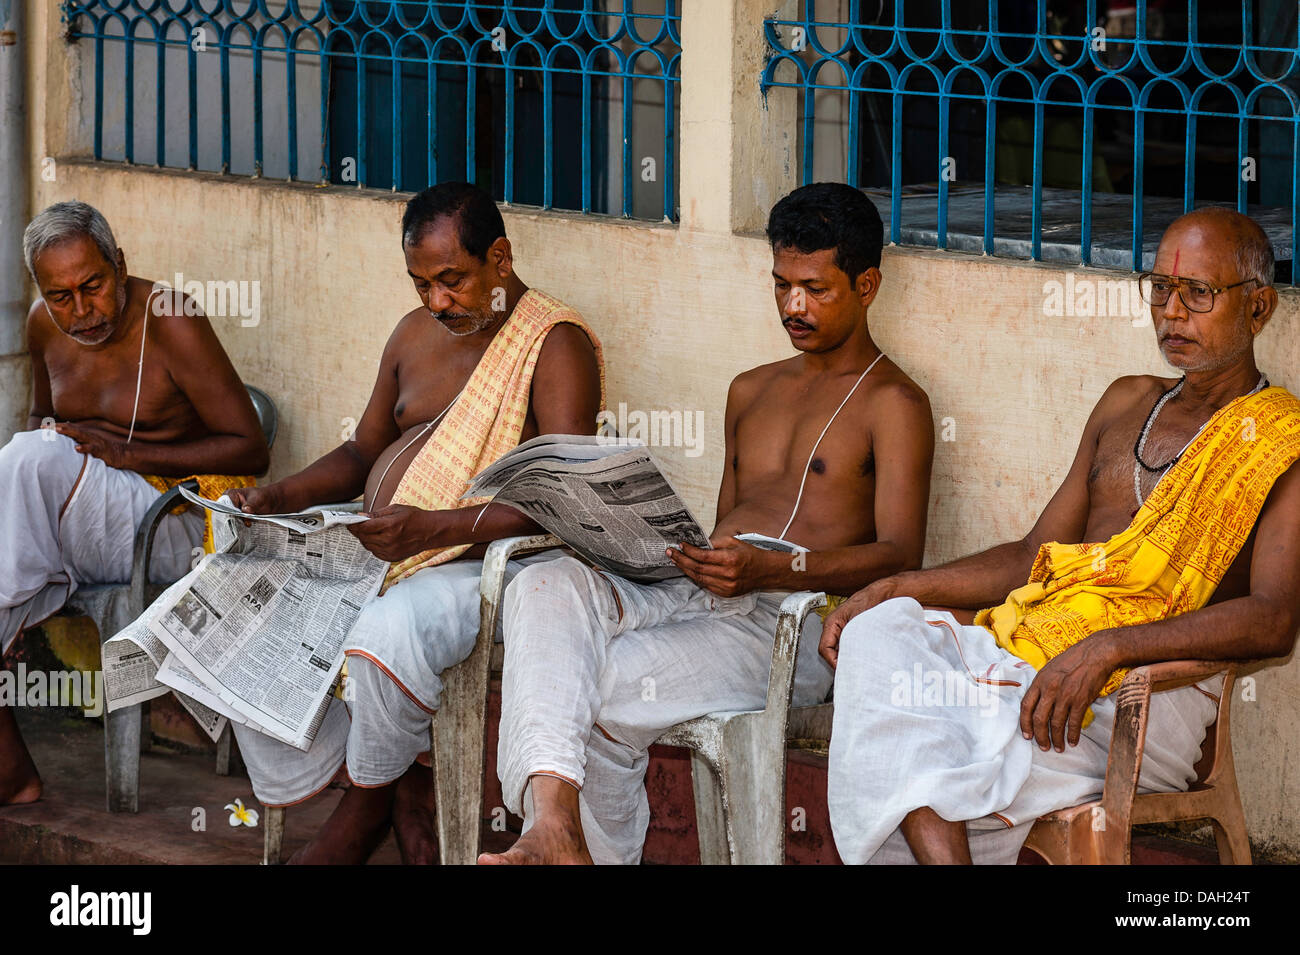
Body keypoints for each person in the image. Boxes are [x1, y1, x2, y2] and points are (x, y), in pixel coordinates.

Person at [823, 208, 1300, 864]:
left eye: (1198, 293)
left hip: (1144, 694)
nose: (1172, 311)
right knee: (878, 635)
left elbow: (1274, 621)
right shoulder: (1124, 400)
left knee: (917, 738)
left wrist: (1108, 649)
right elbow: (1030, 557)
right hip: (1035, 659)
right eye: (1159, 288)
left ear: (1259, 307)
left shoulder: (1279, 441)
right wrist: (896, 584)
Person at [480, 182, 935, 864]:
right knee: (542, 584)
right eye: (780, 285)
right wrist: (639, 546)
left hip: (788, 620)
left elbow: (901, 554)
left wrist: (777, 568)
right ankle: (552, 827)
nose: (792, 306)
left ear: (867, 283)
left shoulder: (895, 401)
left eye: (815, 288)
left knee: (586, 687)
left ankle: (560, 840)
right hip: (702, 590)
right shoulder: (750, 388)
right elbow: (720, 525)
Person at [226, 181, 603, 864]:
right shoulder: (412, 334)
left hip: (481, 564)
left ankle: (369, 799)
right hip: (386, 543)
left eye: (452, 280)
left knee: (383, 636)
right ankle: (390, 779)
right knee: (236, 597)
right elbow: (361, 451)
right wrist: (278, 496)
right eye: (422, 283)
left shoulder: (554, 344)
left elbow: (564, 496)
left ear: (500, 257)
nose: (438, 301)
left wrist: (434, 529)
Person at [0, 200, 269, 806]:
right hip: (85, 529)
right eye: (60, 295)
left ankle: (10, 606)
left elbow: (250, 448)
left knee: (29, 456)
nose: (80, 310)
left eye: (92, 286)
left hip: (167, 526)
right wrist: (74, 447)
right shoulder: (43, 325)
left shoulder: (169, 318)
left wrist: (126, 454)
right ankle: (12, 774)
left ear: (119, 266)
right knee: (34, 450)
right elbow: (44, 417)